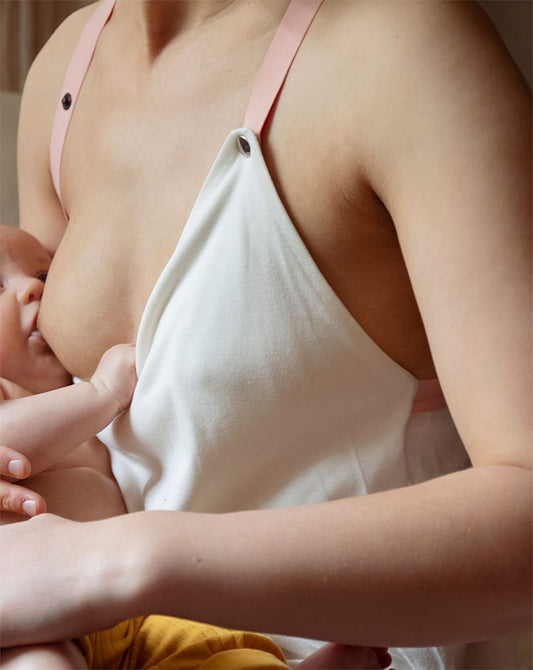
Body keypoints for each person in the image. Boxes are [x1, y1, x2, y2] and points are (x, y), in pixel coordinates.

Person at [0, 1, 530, 668]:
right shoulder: (68, 64)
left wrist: (114, 562)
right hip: (93, 642)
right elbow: (40, 402)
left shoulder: (402, 48)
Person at [0, 224, 392, 670]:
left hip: (130, 613)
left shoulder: (82, 402)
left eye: (45, 276)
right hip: (22, 605)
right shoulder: (30, 395)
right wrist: (102, 395)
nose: (33, 289)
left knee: (219, 653)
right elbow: (8, 444)